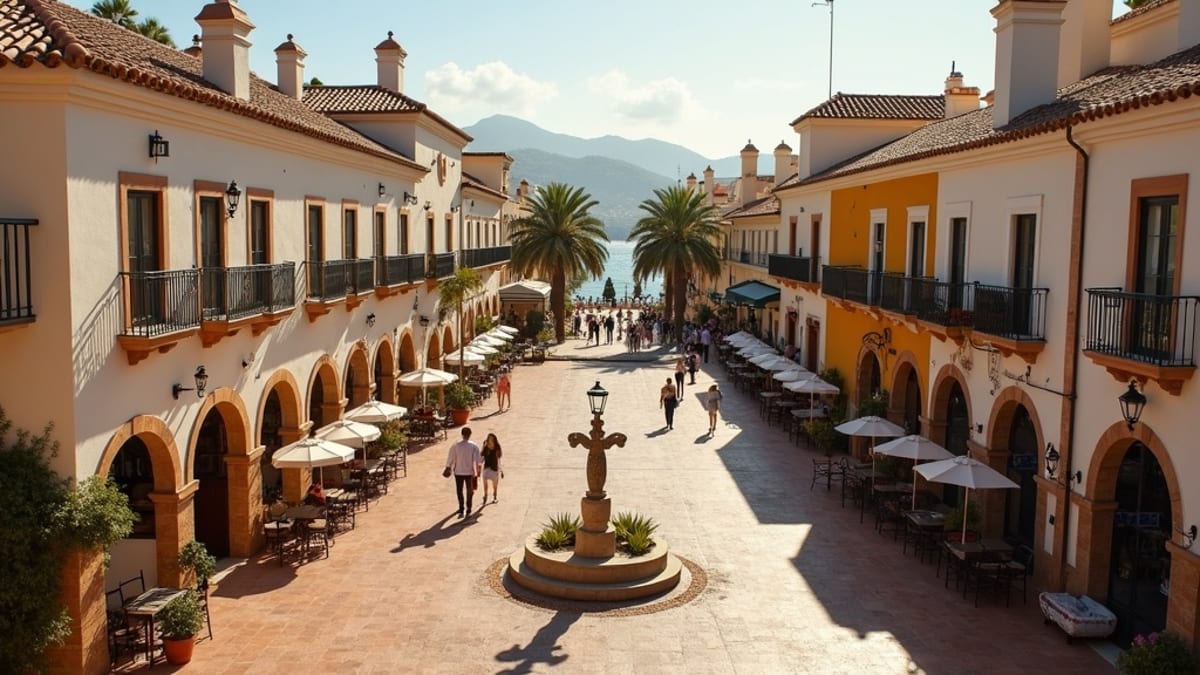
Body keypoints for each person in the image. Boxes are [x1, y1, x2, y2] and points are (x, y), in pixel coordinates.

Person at [445, 427, 482, 518]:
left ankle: (461, 508)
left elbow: (451, 457)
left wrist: (448, 466)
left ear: (462, 434)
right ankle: (469, 508)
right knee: (470, 491)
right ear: (470, 434)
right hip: (469, 472)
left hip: (458, 471)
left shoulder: (456, 445)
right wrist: (478, 470)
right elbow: (478, 459)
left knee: (459, 490)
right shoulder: (473, 446)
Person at [480, 433, 503, 504]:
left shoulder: (497, 447)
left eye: (492, 439)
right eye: (489, 438)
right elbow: (481, 455)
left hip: (494, 467)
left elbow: (499, 458)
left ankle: (495, 495)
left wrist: (501, 470)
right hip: (487, 467)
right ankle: (485, 495)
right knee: (484, 481)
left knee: (495, 485)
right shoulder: (486, 447)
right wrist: (483, 446)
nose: (490, 440)